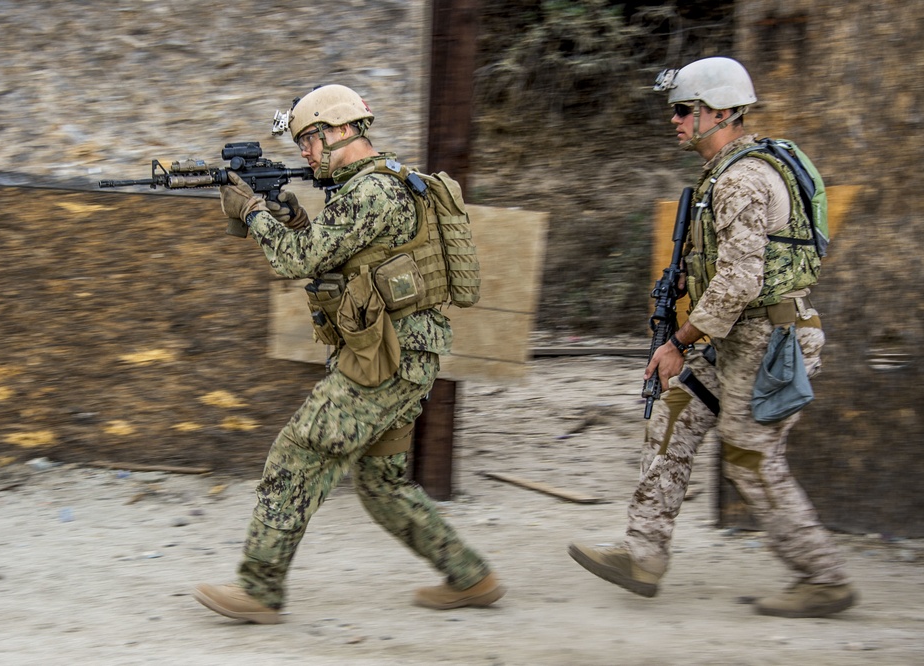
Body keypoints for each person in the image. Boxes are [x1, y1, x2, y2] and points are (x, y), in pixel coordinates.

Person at [192, 84, 504, 624]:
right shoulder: (383, 184)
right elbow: (340, 258)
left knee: (297, 453)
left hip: (383, 358)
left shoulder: (370, 193)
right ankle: (471, 577)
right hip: (403, 354)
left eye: (309, 141)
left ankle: (259, 589)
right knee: (382, 482)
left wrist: (253, 214)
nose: (306, 155)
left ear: (339, 131)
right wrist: (291, 218)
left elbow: (294, 262)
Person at [567, 57, 857, 618]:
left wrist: (679, 340)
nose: (673, 121)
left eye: (683, 110)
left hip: (769, 345)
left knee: (750, 457)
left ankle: (822, 577)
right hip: (738, 340)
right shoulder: (724, 173)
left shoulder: (742, 180)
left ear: (721, 112)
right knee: (673, 416)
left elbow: (738, 280)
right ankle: (643, 554)